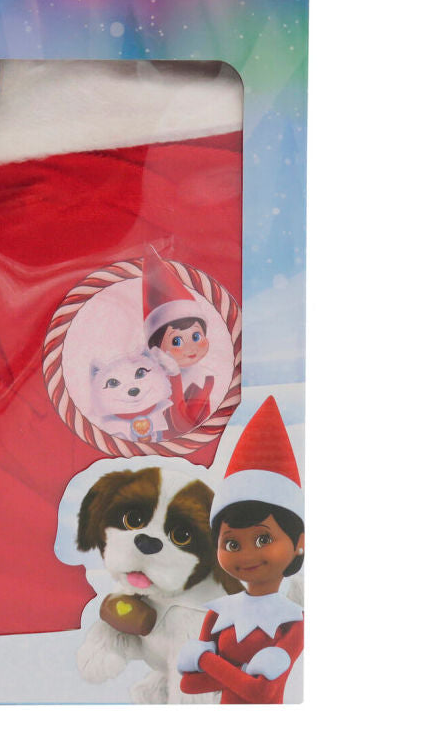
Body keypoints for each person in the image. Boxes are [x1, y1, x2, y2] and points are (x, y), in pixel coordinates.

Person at [177, 396, 304, 704]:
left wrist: (205, 659)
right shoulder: (219, 613)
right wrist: (244, 673)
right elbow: (189, 685)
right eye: (232, 544)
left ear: (299, 543)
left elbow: (262, 692)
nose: (246, 555)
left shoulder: (295, 620)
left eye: (263, 540)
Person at [143, 251, 215, 433]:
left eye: (196, 337)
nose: (190, 348)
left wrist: (174, 376)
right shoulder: (152, 378)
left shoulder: (201, 381)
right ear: (156, 348)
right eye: (176, 341)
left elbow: (184, 425)